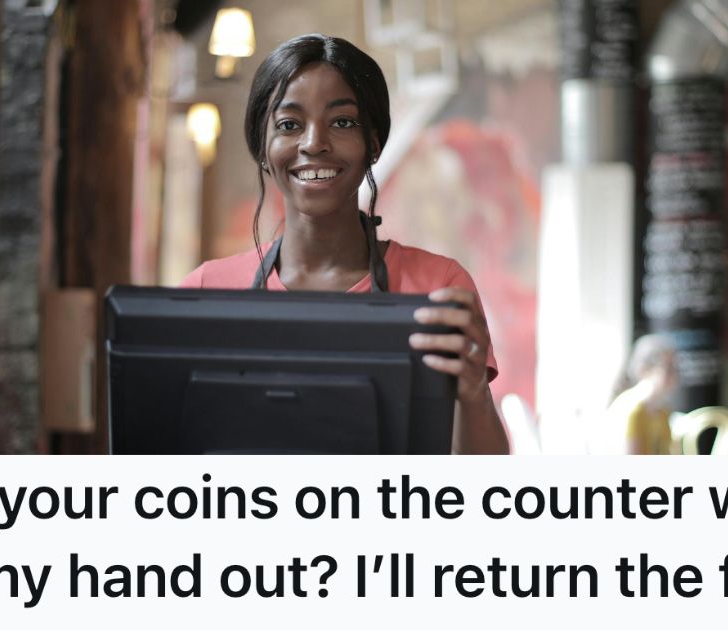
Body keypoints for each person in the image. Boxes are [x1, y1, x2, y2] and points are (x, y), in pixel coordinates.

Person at [179, 34, 508, 454]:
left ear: (372, 145)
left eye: (342, 122)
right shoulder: (206, 292)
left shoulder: (438, 288)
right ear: (263, 148)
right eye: (288, 124)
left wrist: (475, 391)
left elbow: (486, 490)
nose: (314, 142)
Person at [597, 334, 680, 455]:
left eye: (676, 368)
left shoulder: (662, 412)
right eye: (668, 368)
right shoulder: (632, 410)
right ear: (644, 369)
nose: (675, 374)